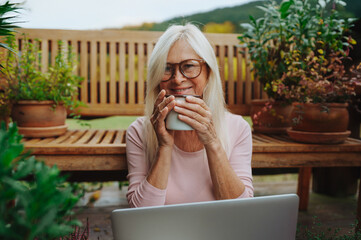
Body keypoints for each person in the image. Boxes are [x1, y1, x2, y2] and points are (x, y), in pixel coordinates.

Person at [126, 23, 253, 208]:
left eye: (189, 66)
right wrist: (164, 146)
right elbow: (140, 215)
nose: (177, 79)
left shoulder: (237, 128)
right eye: (166, 68)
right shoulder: (139, 131)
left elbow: (242, 211)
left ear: (209, 72)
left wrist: (212, 142)